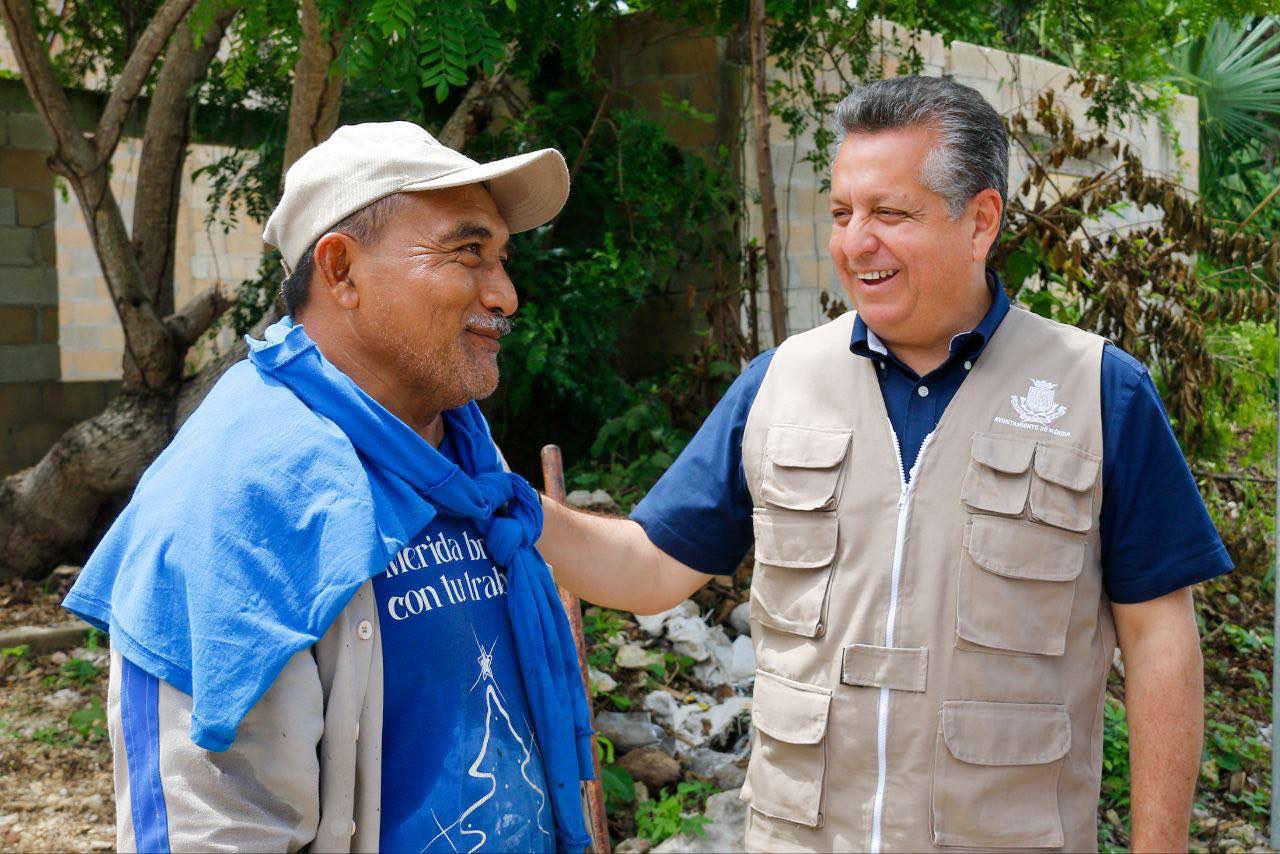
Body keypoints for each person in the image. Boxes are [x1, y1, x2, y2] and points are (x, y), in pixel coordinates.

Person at [539, 76, 1230, 852]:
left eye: (889, 214)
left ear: (980, 222)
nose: (853, 242)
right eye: (841, 213)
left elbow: (1160, 641)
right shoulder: (780, 383)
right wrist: (513, 509)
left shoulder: (1096, 391)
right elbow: (648, 570)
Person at [63, 121, 595, 853]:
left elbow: (628, 563)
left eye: (501, 259)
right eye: (468, 251)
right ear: (340, 270)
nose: (504, 293)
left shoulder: (457, 450)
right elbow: (217, 829)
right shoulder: (239, 497)